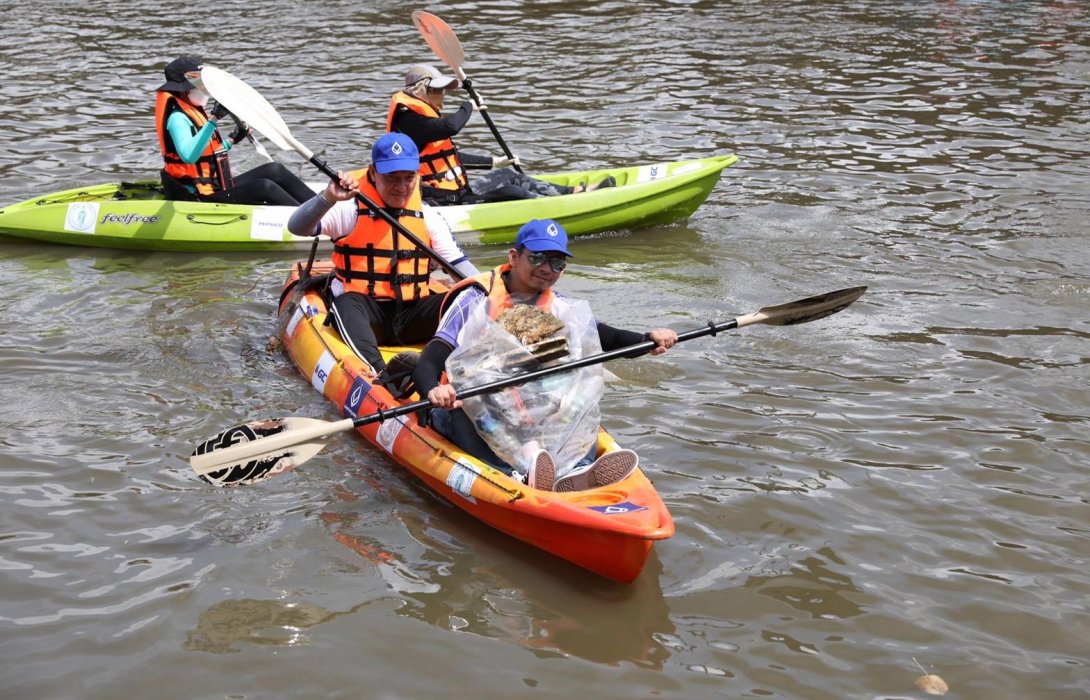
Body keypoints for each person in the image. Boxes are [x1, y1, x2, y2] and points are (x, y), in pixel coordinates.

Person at [411, 218, 678, 492]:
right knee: (476, 404)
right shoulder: (474, 299)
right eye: (537, 258)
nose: (547, 269)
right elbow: (429, 360)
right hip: (465, 405)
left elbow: (605, 337)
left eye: (557, 263)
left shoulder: (560, 307)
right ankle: (515, 474)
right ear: (514, 257)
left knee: (576, 392)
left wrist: (646, 340)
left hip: (527, 410)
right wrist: (434, 390)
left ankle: (575, 469)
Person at [286, 132, 479, 372]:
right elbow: (297, 227)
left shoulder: (428, 216)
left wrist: (494, 294)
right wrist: (328, 198)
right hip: (366, 314)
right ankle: (382, 373)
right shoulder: (350, 208)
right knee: (346, 303)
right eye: (391, 178)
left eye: (408, 178)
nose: (401, 187)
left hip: (412, 316)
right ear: (373, 172)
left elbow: (462, 269)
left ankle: (456, 365)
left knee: (470, 298)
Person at [387, 64, 616, 206]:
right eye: (437, 90)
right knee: (510, 192)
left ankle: (574, 193)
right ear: (420, 91)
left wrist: (494, 162)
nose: (442, 96)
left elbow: (449, 156)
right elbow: (450, 127)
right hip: (442, 201)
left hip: (458, 191)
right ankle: (563, 207)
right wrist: (469, 106)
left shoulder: (422, 120)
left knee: (508, 174)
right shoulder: (409, 122)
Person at [155, 55, 314, 205]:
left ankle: (321, 208)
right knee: (264, 187)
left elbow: (209, 153)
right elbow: (189, 156)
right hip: (199, 196)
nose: (204, 90)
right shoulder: (177, 118)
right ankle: (310, 219)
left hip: (215, 185)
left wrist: (233, 139)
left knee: (275, 170)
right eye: (198, 85)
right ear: (182, 90)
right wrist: (214, 119)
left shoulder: (194, 111)